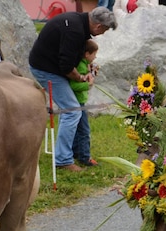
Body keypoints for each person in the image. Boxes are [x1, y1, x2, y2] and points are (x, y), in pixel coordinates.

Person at [29, 6, 117, 172]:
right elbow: (67, 66)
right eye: (105, 30)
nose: (103, 33)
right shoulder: (75, 30)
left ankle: (80, 153)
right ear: (98, 26)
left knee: (76, 109)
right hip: (46, 69)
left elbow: (74, 56)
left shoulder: (80, 23)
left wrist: (88, 68)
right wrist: (82, 78)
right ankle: (62, 160)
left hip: (55, 67)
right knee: (72, 111)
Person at [69, 39, 99, 167]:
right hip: (78, 101)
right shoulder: (80, 66)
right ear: (87, 54)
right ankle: (85, 157)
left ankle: (76, 152)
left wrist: (91, 74)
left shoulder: (84, 64)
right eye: (94, 54)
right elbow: (74, 85)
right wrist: (88, 85)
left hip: (79, 101)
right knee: (84, 130)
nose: (95, 57)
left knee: (78, 128)